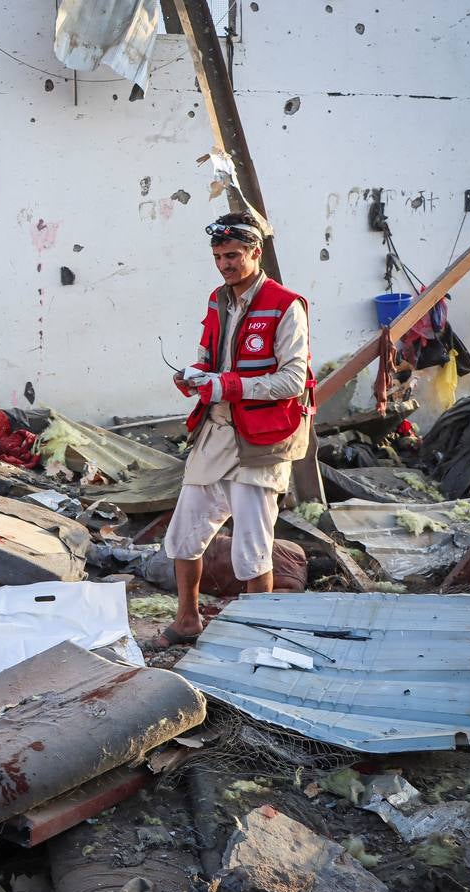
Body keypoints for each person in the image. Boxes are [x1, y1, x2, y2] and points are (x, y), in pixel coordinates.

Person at [154, 212, 315, 649]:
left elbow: (293, 381)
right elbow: (209, 358)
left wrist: (224, 384)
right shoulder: (217, 300)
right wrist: (195, 377)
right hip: (217, 432)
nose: (225, 265)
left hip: (261, 439)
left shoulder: (286, 305)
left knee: (252, 547)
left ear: (255, 253)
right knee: (183, 535)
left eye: (233, 256)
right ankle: (188, 620)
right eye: (218, 257)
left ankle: (256, 638)